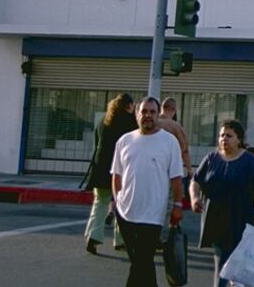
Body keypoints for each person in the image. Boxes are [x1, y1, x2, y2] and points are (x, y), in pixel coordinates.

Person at [112, 97, 185, 287]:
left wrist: (178, 205)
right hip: (126, 213)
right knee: (140, 263)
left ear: (158, 114)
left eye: (152, 112)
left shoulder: (169, 142)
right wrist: (117, 200)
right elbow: (116, 175)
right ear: (137, 114)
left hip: (153, 215)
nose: (148, 116)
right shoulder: (124, 141)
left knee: (141, 260)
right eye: (144, 112)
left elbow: (176, 178)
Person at [190, 119, 254, 287]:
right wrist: (194, 198)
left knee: (238, 265)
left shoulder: (250, 162)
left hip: (241, 220)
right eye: (221, 135)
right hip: (216, 220)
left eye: (229, 135)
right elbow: (195, 181)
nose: (224, 139)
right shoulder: (211, 158)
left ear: (239, 139)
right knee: (222, 263)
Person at [81, 93, 136, 255]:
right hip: (121, 169)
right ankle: (120, 240)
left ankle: (93, 236)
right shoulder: (130, 123)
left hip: (100, 168)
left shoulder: (103, 121)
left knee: (100, 203)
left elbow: (96, 144)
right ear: (128, 106)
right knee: (122, 204)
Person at [157, 97, 192, 243]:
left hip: (153, 170)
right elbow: (184, 150)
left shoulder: (153, 123)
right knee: (169, 202)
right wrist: (189, 169)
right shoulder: (176, 127)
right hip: (170, 170)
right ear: (173, 110)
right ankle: (163, 236)